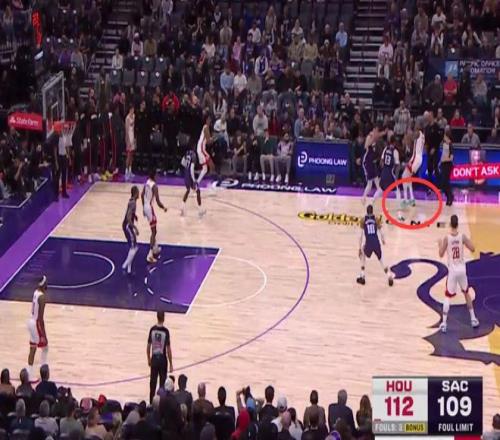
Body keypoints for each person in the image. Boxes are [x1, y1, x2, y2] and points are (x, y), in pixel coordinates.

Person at [437, 215, 479, 333]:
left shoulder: (447, 238)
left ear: (451, 224)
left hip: (453, 271)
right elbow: (473, 248)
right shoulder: (462, 236)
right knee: (466, 293)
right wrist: (467, 241)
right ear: (458, 224)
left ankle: (444, 323)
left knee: (447, 296)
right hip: (462, 270)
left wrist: (440, 244)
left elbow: (441, 254)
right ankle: (473, 319)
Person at [356, 205, 394, 286]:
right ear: (372, 211)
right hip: (376, 242)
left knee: (362, 251)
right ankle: (389, 275)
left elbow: (360, 236)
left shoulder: (363, 220)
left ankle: (362, 275)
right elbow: (382, 232)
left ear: (366, 211)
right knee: (381, 259)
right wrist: (383, 240)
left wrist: (359, 248)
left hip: (369, 243)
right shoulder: (376, 219)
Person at [142, 170, 168, 264]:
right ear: (154, 176)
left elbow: (142, 195)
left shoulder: (147, 182)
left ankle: (155, 248)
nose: (157, 176)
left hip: (146, 207)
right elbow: (157, 201)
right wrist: (164, 207)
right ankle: (150, 255)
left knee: (154, 230)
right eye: (157, 175)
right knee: (154, 231)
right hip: (149, 208)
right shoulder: (154, 186)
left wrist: (143, 208)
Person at [147, 311, 173, 403]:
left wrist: (148, 359)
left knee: (152, 383)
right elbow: (168, 349)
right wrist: (171, 363)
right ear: (164, 318)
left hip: (154, 358)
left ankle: (151, 403)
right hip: (162, 359)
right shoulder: (166, 331)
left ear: (157, 317)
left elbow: (148, 346)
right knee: (162, 384)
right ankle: (161, 404)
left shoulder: (152, 330)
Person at [376, 136, 403, 220]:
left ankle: (371, 202)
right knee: (397, 192)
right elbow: (397, 165)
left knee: (381, 189)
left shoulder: (385, 149)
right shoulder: (395, 151)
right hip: (390, 173)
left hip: (384, 172)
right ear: (394, 142)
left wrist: (384, 170)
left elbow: (381, 162)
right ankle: (399, 212)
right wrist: (397, 177)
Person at [27, 276, 49, 380]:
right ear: (43, 284)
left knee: (33, 348)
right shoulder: (42, 298)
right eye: (46, 282)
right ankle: (43, 373)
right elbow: (40, 318)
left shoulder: (35, 292)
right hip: (36, 323)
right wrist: (44, 334)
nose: (47, 284)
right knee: (45, 347)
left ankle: (29, 374)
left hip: (30, 322)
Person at [401, 122, 425, 207]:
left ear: (419, 127)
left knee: (404, 176)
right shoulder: (422, 135)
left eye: (417, 125)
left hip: (415, 158)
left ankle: (405, 200)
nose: (415, 125)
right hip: (417, 158)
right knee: (408, 178)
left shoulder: (418, 133)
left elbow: (411, 137)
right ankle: (411, 199)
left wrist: (407, 133)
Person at [361, 124, 385, 205]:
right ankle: (364, 198)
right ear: (374, 129)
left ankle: (375, 200)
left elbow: (379, 135)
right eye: (376, 130)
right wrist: (373, 139)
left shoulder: (375, 136)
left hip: (372, 161)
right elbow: (366, 146)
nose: (377, 132)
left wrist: (384, 132)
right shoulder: (369, 136)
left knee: (377, 183)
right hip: (367, 161)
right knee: (370, 183)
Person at [181, 149, 205, 218]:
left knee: (188, 190)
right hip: (190, 176)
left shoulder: (187, 152)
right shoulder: (194, 155)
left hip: (186, 174)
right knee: (198, 191)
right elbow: (191, 169)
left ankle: (182, 208)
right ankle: (200, 211)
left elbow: (182, 162)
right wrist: (194, 180)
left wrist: (186, 168)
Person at [122, 186, 139, 274]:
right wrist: (135, 227)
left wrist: (134, 215)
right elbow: (128, 217)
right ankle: (125, 266)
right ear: (135, 193)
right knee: (134, 247)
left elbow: (129, 212)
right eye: (138, 192)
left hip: (127, 225)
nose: (139, 194)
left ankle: (129, 268)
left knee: (133, 247)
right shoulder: (133, 203)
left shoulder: (132, 201)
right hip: (128, 226)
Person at [196, 114, 214, 187]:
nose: (210, 120)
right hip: (201, 149)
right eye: (209, 119)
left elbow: (208, 141)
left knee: (205, 169)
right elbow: (209, 142)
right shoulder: (206, 127)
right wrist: (214, 138)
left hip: (201, 148)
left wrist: (212, 139)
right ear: (206, 120)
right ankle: (211, 183)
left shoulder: (206, 127)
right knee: (212, 165)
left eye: (210, 119)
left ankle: (196, 183)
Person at [440, 127, 454, 206]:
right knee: (443, 183)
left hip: (448, 165)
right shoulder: (444, 144)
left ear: (447, 136)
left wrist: (444, 159)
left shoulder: (450, 145)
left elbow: (451, 157)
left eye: (444, 136)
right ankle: (448, 196)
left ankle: (450, 197)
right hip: (443, 164)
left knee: (446, 182)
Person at [125, 105, 136, 181]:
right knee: (128, 155)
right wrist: (127, 140)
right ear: (129, 110)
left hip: (133, 136)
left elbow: (134, 128)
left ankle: (130, 170)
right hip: (129, 136)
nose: (132, 111)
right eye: (131, 109)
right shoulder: (127, 118)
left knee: (132, 155)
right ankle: (126, 171)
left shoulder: (134, 116)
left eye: (133, 109)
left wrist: (134, 138)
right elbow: (126, 130)